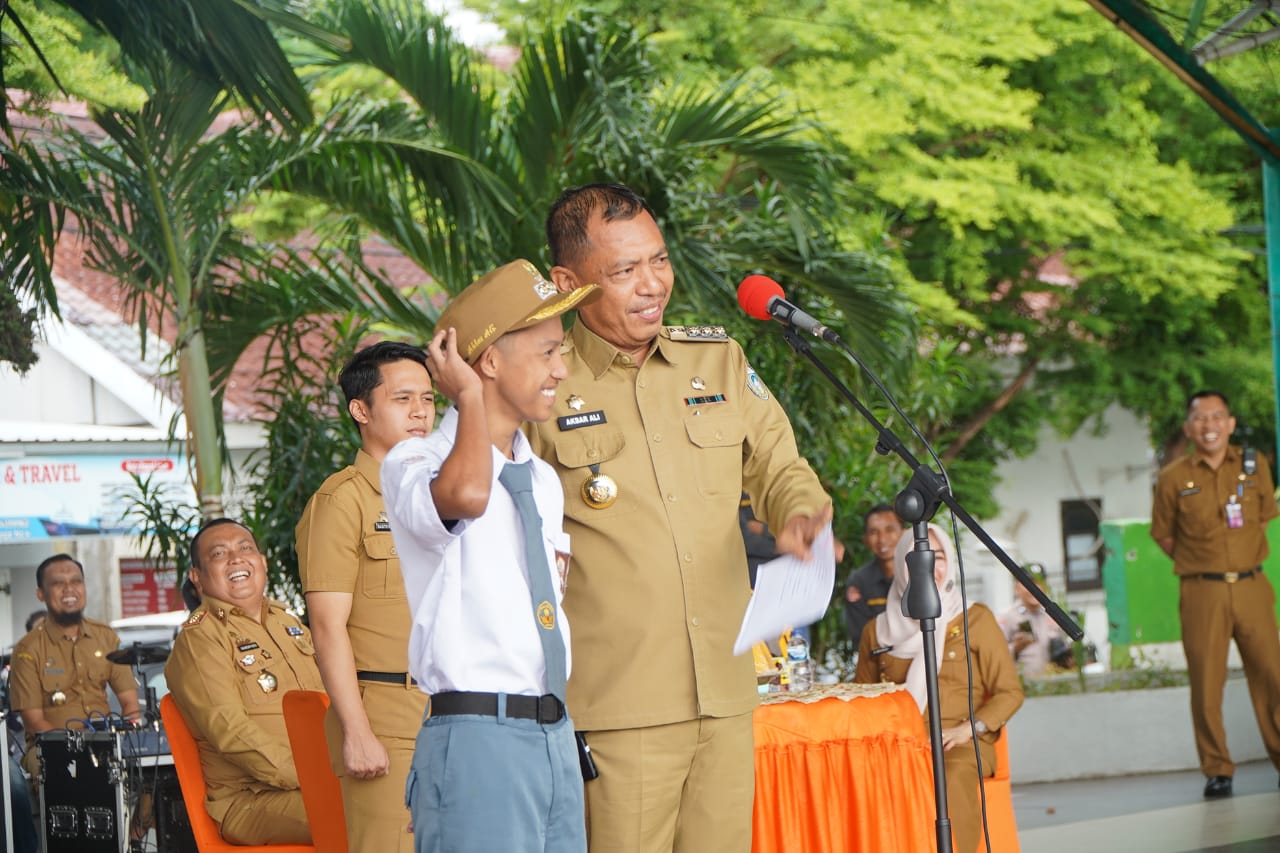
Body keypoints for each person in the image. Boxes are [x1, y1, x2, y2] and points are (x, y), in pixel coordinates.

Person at [528, 183, 832, 853]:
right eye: (624, 270)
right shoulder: (540, 384)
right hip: (619, 704)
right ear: (566, 282)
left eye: (658, 261)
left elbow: (779, 464)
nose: (651, 284)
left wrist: (800, 513)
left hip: (725, 689)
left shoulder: (715, 360)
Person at [382, 259, 600, 853]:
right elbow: (468, 496)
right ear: (490, 362)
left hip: (553, 731)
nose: (562, 367)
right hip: (479, 734)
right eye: (548, 351)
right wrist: (469, 400)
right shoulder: (415, 462)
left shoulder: (543, 480)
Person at [296, 340, 433, 853]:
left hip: (456, 707)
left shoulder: (443, 493)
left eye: (427, 398)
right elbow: (327, 627)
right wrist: (356, 731)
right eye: (402, 399)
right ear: (360, 409)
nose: (420, 411)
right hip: (386, 713)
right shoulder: (341, 500)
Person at [854, 524, 1023, 853]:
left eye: (939, 556)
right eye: (917, 557)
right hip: (899, 743)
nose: (929, 566)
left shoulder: (974, 618)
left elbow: (1009, 692)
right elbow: (863, 703)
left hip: (957, 741)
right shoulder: (877, 632)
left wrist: (968, 730)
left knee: (949, 774)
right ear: (902, 565)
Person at [1150, 389, 1280, 799]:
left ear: (1231, 423)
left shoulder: (1254, 465)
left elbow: (1263, 516)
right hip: (1201, 590)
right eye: (1200, 418)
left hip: (1251, 586)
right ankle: (1217, 769)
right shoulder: (1172, 477)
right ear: (1189, 428)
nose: (1209, 425)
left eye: (1217, 416)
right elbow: (1164, 535)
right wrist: (1200, 559)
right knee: (1207, 684)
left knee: (1273, 677)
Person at [164, 519, 324, 845]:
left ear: (262, 562)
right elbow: (230, 731)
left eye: (245, 548)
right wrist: (313, 776)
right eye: (219, 554)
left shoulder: (288, 623)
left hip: (324, 778)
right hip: (250, 800)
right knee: (363, 815)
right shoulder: (201, 638)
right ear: (197, 577)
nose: (236, 558)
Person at [10, 554, 141, 775]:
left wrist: (127, 741)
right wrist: (79, 751)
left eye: (76, 581)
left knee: (149, 770)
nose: (69, 589)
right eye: (58, 583)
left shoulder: (105, 637)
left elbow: (130, 704)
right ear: (41, 594)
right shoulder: (28, 649)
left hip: (107, 745)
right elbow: (33, 721)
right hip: (49, 749)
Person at [844, 504, 904, 648]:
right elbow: (861, 638)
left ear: (904, 532)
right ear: (865, 539)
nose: (882, 539)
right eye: (873, 532)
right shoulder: (859, 582)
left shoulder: (920, 574)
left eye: (889, 530)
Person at [997, 563, 1067, 677]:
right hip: (1024, 685)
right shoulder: (1007, 617)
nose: (1035, 589)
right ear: (1017, 588)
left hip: (1055, 684)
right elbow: (994, 655)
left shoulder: (1054, 614)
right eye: (1028, 584)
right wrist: (1015, 648)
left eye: (1039, 583)